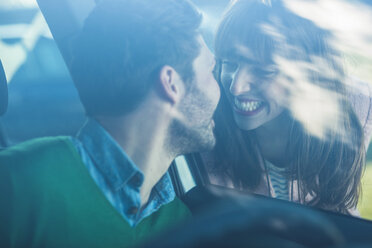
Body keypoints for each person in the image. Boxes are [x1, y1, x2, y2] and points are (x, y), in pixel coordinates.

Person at [0, 0, 220, 247]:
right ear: (171, 83)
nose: (219, 89)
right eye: (211, 71)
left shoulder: (179, 221)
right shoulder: (14, 184)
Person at [203, 0, 370, 215]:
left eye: (264, 71)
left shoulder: (354, 108)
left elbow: (339, 211)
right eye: (230, 64)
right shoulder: (205, 121)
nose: (236, 87)